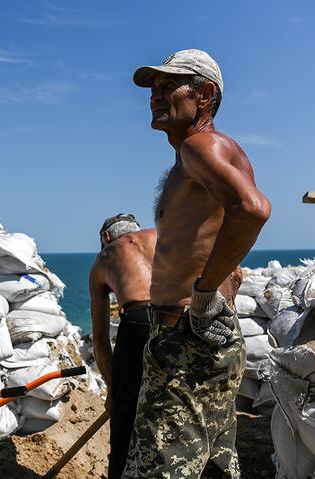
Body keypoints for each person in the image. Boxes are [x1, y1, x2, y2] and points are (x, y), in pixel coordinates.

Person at [123, 49, 271, 478]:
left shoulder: (200, 145)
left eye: (169, 86)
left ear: (205, 94)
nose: (155, 95)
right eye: (153, 88)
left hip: (187, 340)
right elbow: (220, 233)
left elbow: (252, 209)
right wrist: (223, 283)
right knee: (212, 468)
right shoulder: (204, 153)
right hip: (196, 336)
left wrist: (205, 293)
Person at [89, 214, 155, 479]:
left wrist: (114, 392)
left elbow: (101, 341)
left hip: (139, 321)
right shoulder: (161, 237)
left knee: (125, 424)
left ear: (106, 238)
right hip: (185, 317)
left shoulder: (103, 259)